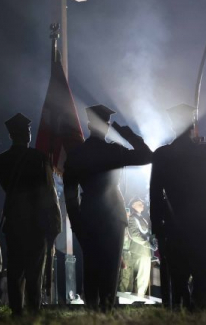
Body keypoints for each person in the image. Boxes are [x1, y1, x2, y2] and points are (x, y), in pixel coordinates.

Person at [64, 105, 152, 311]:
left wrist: (77, 223)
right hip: (113, 216)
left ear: (88, 125)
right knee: (110, 270)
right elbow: (147, 156)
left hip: (88, 216)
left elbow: (70, 194)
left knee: (91, 269)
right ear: (107, 126)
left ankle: (93, 314)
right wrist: (126, 133)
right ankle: (106, 311)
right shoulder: (114, 151)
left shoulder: (77, 154)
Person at [150, 104, 206, 311]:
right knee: (202, 280)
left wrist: (157, 229)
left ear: (172, 125)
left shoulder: (161, 154)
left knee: (179, 282)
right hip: (205, 224)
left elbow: (155, 195)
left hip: (175, 226)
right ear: (193, 125)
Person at [0, 112, 61, 315]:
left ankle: (17, 311)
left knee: (15, 271)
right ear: (26, 134)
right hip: (36, 224)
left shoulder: (3, 160)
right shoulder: (38, 158)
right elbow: (49, 193)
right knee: (35, 272)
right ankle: (34, 312)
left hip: (14, 222)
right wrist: (55, 223)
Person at [128, 198, 152, 299]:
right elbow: (134, 235)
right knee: (139, 278)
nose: (142, 205)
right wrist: (148, 244)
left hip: (144, 252)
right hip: (139, 251)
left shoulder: (141, 218)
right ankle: (137, 300)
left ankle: (140, 299)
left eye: (142, 203)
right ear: (133, 205)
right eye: (139, 203)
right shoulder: (133, 218)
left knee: (144, 279)